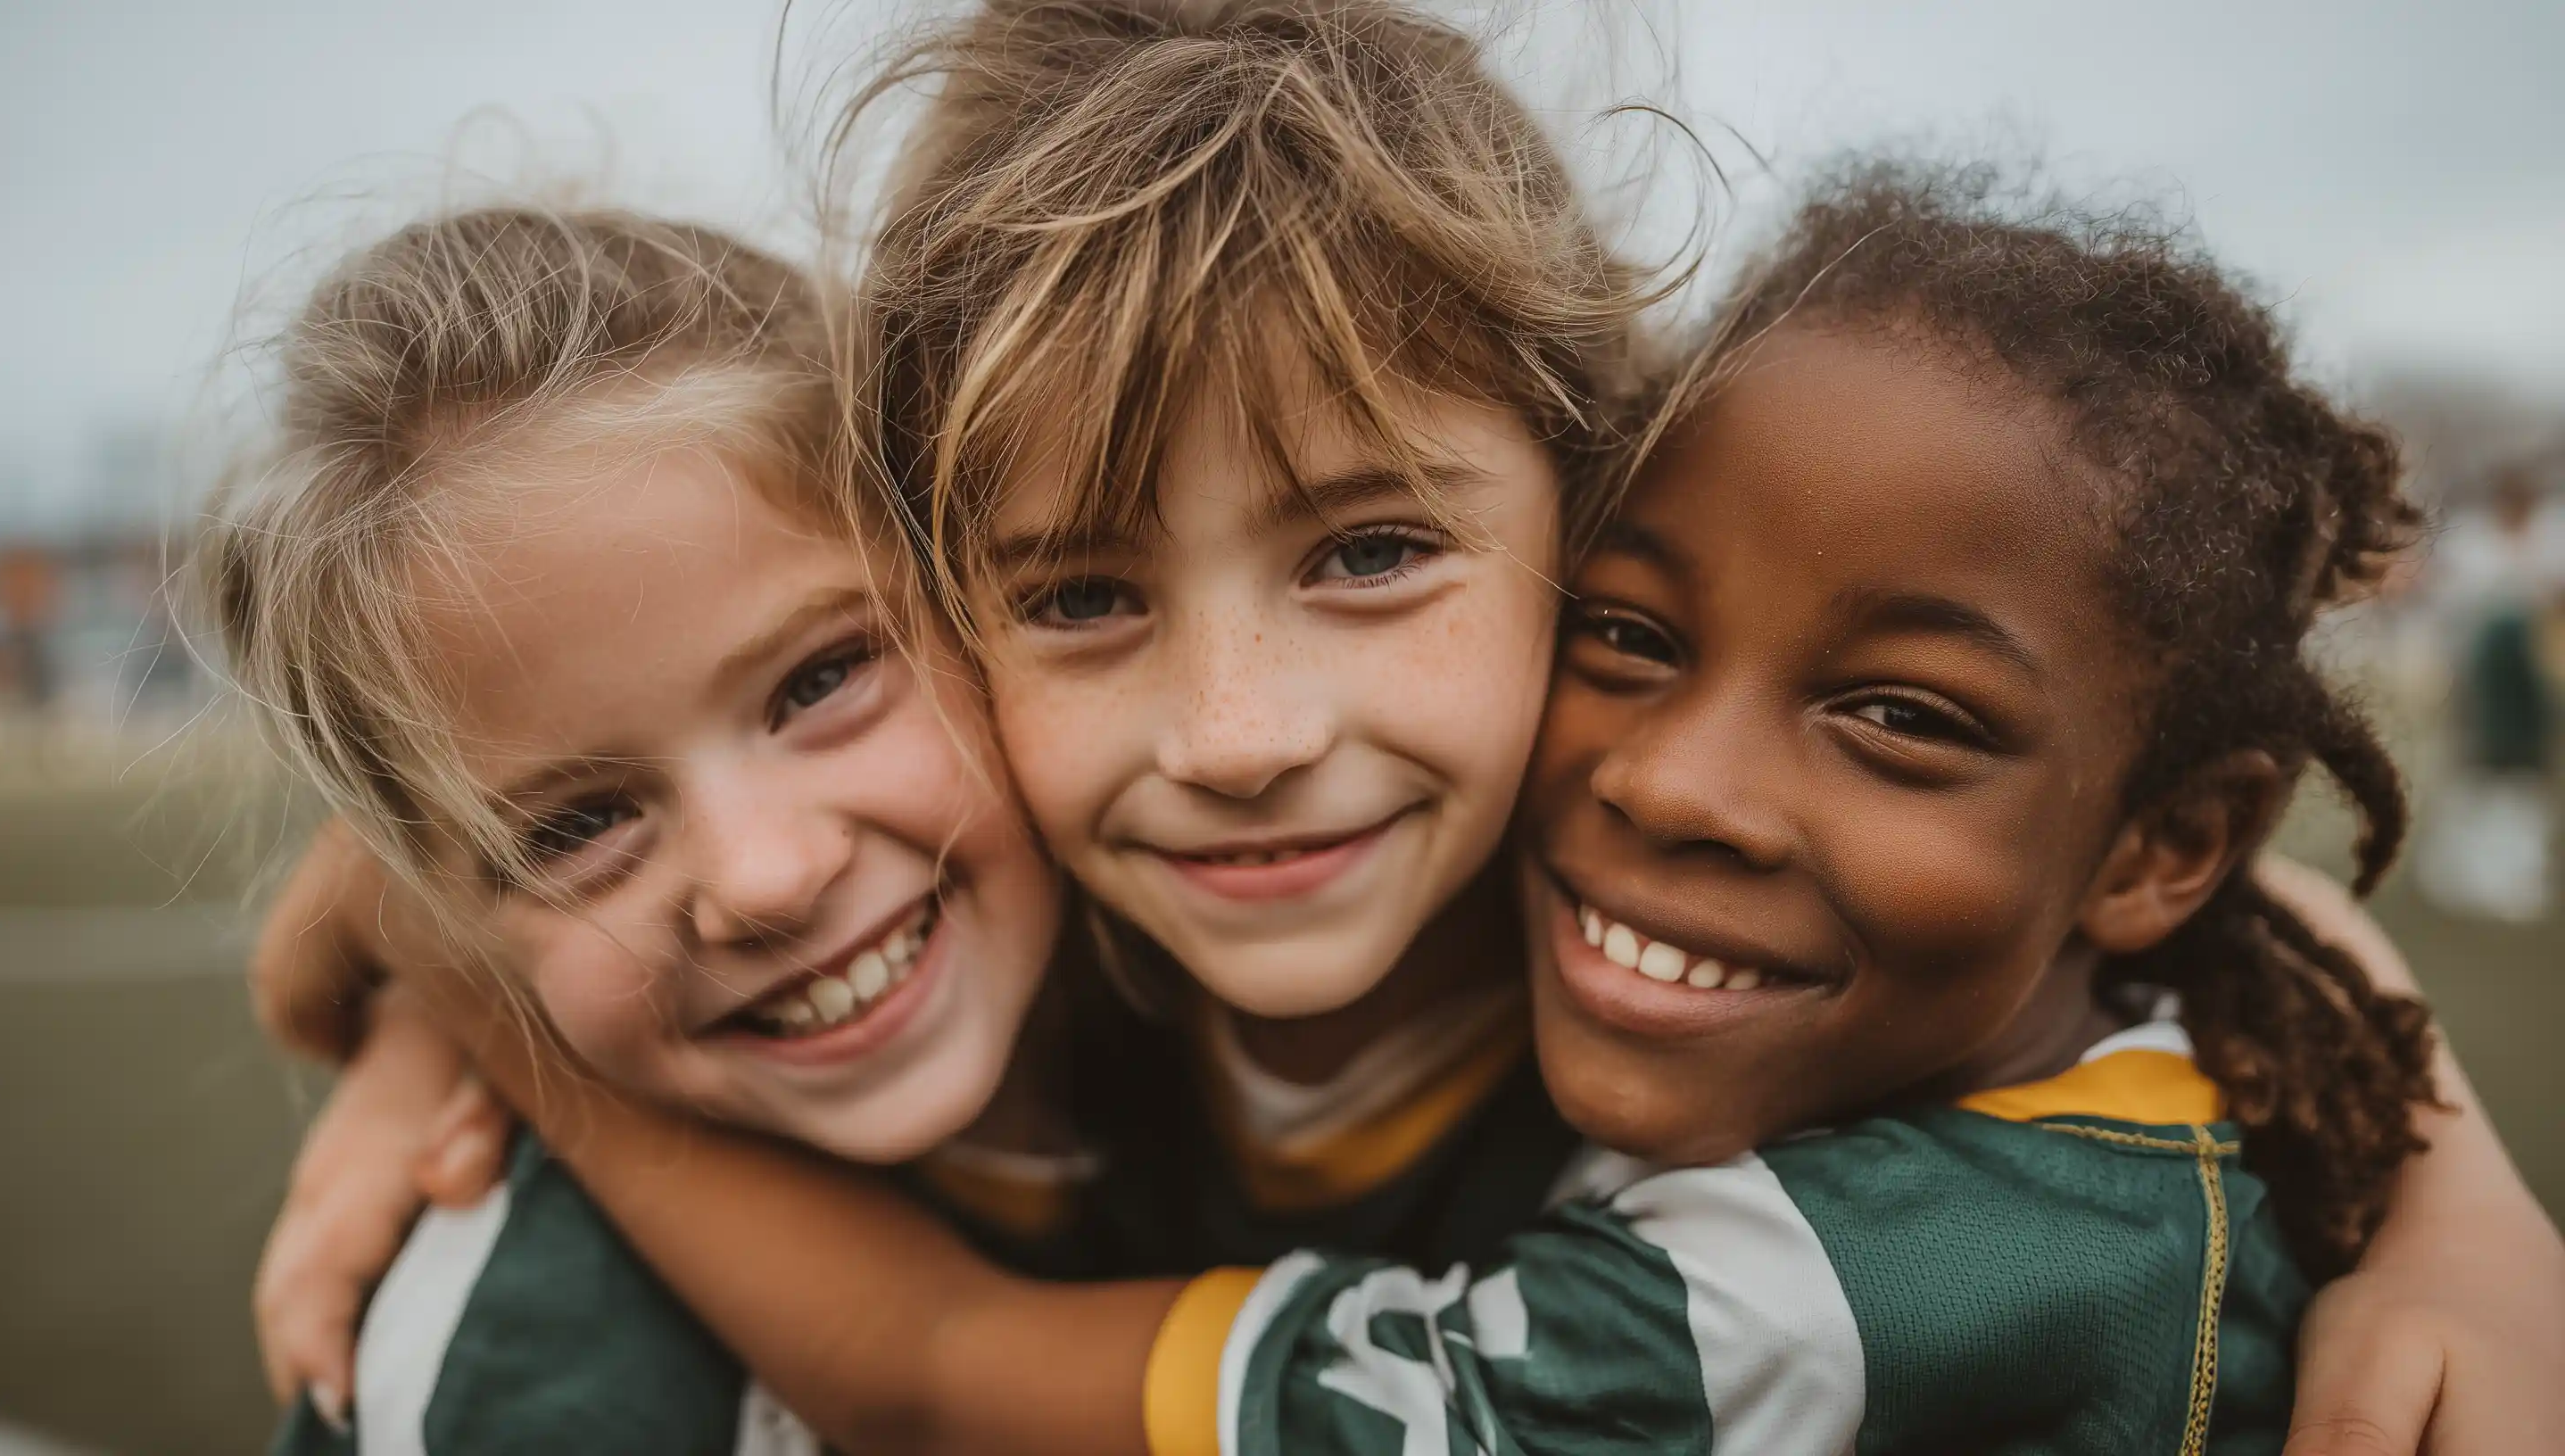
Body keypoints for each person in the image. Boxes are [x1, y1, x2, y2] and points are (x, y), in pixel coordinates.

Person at [250, 4, 2565, 1451]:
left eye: (1371, 554)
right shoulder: (1056, 915)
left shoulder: (1658, 879)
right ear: (953, 592)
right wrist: (455, 935)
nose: (1244, 733)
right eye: (1075, 596)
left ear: (1588, 521)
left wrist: (2462, 1207)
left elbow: (2169, 889)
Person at [197, 205, 1085, 1452]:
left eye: (820, 682)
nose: (764, 879)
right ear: (452, 911)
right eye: (577, 827)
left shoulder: (1285, 904)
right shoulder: (512, 1370)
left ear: (965, 574)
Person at [2415, 466, 2561, 922]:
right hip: (2475, 679)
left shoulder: (2552, 535)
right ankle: (2455, 873)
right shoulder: (2471, 543)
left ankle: (2513, 876)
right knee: (2472, 776)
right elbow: (2446, 609)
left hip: (2529, 683)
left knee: (2520, 782)